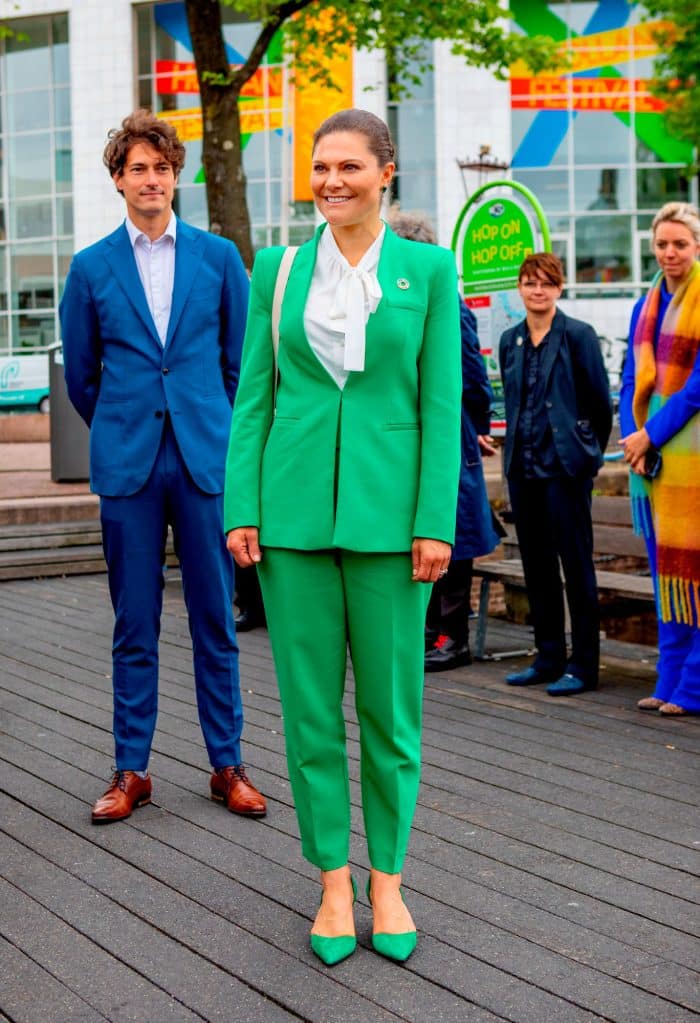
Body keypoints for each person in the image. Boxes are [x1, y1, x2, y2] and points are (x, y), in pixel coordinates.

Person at [224, 109, 461, 965]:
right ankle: (331, 878)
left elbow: (442, 404)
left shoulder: (429, 270)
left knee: (391, 713)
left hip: (394, 525)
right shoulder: (278, 269)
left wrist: (435, 521)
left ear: (385, 172)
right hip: (290, 522)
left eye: (349, 166)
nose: (331, 181)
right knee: (310, 712)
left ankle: (387, 879)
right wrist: (240, 506)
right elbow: (255, 397)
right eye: (321, 166)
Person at [59, 110, 266, 823]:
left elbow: (241, 366)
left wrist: (214, 426)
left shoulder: (220, 258)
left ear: (178, 176)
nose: (152, 179)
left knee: (216, 618)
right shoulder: (90, 268)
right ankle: (131, 769)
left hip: (206, 460)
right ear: (119, 180)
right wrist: (125, 424)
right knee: (134, 622)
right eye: (138, 168)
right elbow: (83, 376)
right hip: (129, 467)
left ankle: (227, 764)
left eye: (162, 167)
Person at [386, 207, 501, 671]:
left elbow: (472, 375)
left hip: (447, 432)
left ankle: (452, 637)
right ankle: (429, 631)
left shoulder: (446, 303)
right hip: (409, 432)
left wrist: (475, 427)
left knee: (452, 532)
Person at [499, 253, 612, 697]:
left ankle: (583, 665)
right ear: (520, 288)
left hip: (565, 469)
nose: (538, 290)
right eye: (530, 282)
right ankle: (548, 657)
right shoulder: (510, 340)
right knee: (537, 567)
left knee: (577, 567)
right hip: (523, 470)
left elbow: (599, 404)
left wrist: (586, 452)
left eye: (546, 283)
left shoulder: (578, 335)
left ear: (559, 288)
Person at [619, 201, 700, 717]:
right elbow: (630, 377)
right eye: (662, 244)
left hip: (690, 458)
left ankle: (693, 686)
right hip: (650, 462)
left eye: (680, 244)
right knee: (664, 573)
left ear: (697, 247)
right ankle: (668, 679)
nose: (670, 253)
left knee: (695, 574)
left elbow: (696, 388)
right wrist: (632, 436)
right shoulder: (644, 304)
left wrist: (649, 434)